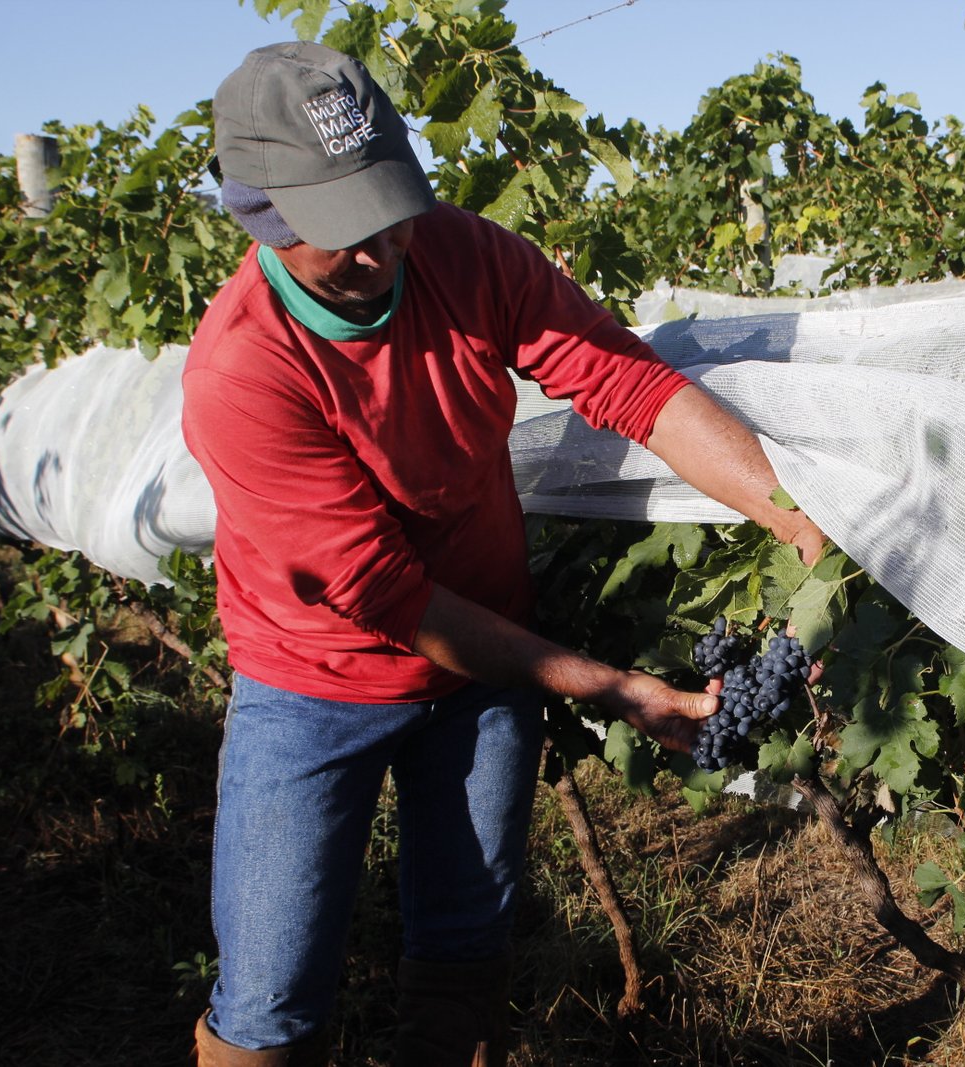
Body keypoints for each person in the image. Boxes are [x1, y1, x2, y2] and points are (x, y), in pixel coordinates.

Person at [181, 41, 824, 1067]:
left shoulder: (465, 253)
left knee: (465, 949)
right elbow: (388, 594)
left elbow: (629, 384)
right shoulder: (243, 373)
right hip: (315, 683)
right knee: (271, 990)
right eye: (342, 230)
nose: (381, 249)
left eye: (389, 210)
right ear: (257, 211)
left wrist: (794, 519)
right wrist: (610, 687)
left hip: (482, 670)